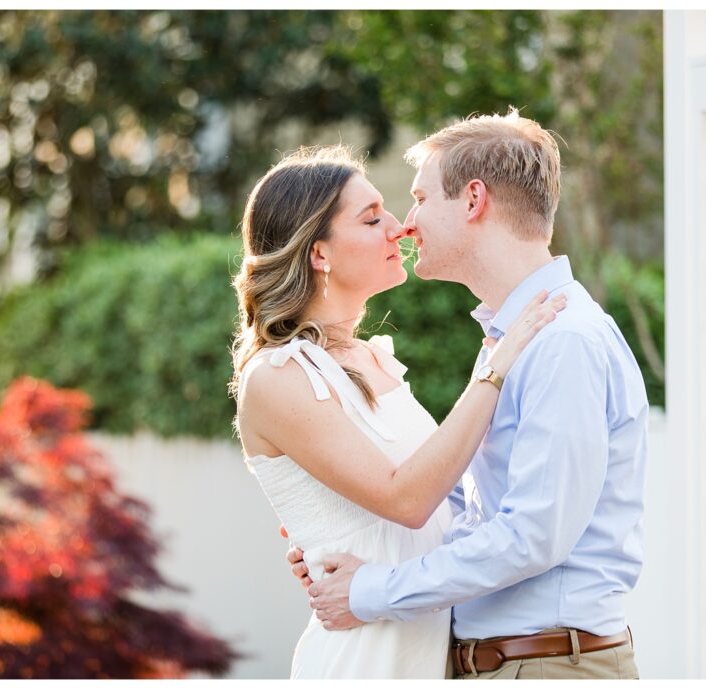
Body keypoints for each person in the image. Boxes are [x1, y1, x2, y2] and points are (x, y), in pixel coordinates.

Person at [292, 109, 649, 680]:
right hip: (505, 663)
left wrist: (373, 590)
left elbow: (532, 536)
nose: (406, 223)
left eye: (419, 198)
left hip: (546, 667)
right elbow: (467, 511)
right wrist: (339, 542)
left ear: (474, 199)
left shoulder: (563, 341)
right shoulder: (511, 338)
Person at [230, 144, 566, 679]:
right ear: (319, 253)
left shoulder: (376, 359)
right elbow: (407, 498)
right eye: (371, 218)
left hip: (432, 652)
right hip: (365, 660)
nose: (399, 228)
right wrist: (497, 366)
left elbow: (441, 509)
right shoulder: (277, 377)